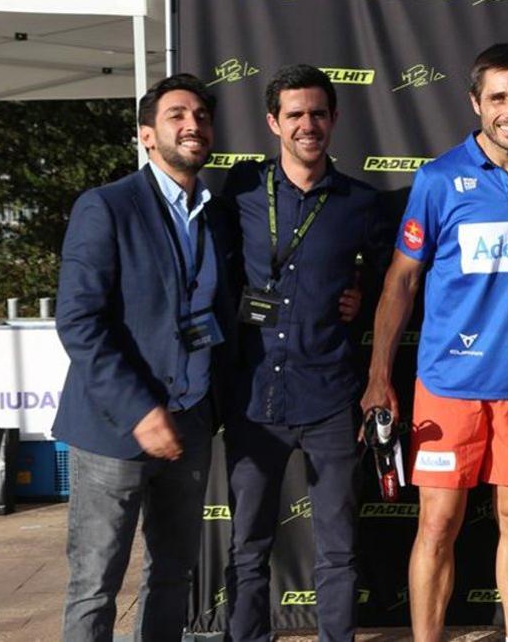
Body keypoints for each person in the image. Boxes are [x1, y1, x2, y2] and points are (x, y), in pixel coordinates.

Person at [360, 43, 508, 642]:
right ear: (476, 102)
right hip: (447, 383)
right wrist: (380, 374)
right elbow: (401, 280)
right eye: (500, 98)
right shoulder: (436, 179)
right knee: (437, 524)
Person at [53, 73, 235, 641]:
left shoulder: (218, 213)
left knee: (174, 576)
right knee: (94, 583)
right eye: (177, 114)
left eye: (202, 115)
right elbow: (79, 322)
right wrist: (139, 410)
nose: (193, 124)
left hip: (192, 422)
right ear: (147, 136)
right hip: (114, 428)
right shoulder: (106, 207)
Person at [219, 64, 389, 642]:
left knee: (338, 549)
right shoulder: (240, 190)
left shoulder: (360, 203)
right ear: (273, 122)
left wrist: (361, 301)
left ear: (335, 119)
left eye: (318, 113)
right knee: (248, 547)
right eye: (294, 114)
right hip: (253, 396)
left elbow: (396, 282)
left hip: (330, 397)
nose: (307, 124)